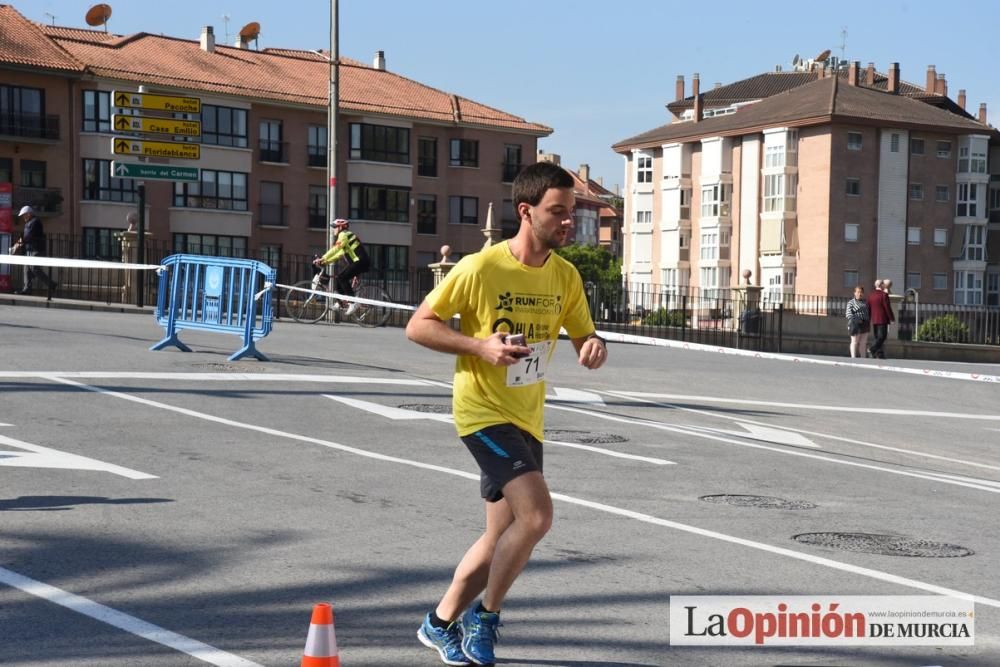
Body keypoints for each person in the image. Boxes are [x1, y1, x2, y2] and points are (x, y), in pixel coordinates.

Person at [406, 161, 607, 665]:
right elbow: (419, 326)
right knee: (537, 516)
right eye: (557, 212)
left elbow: (584, 332)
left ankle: (438, 622)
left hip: (527, 416)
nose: (567, 222)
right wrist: (479, 346)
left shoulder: (565, 275)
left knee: (501, 535)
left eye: (571, 212)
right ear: (526, 212)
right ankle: (485, 618)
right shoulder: (480, 267)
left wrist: (592, 346)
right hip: (482, 412)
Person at [312, 218, 370, 316]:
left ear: (340, 227)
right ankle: (340, 303)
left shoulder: (343, 235)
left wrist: (322, 258)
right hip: (358, 262)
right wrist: (325, 261)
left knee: (342, 278)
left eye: (334, 227)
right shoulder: (345, 237)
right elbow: (338, 254)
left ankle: (353, 302)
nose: (333, 230)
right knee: (339, 279)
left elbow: (336, 248)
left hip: (360, 262)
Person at [13, 205, 57, 299]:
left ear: (29, 214)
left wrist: (18, 244)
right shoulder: (29, 223)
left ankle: (51, 284)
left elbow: (28, 236)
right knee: (27, 269)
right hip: (30, 249)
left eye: (24, 215)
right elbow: (26, 237)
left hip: (37, 250)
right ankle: (27, 289)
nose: (23, 217)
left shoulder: (35, 222)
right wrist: (18, 244)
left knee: (34, 268)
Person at [867, 279, 894, 359]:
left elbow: (868, 308)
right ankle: (872, 349)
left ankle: (879, 354)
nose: (884, 286)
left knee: (877, 337)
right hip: (882, 319)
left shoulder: (870, 295)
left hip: (874, 319)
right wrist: (892, 318)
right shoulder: (884, 295)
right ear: (881, 285)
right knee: (882, 336)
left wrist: (868, 319)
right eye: (883, 284)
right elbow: (887, 308)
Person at [845, 285, 870, 358]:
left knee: (863, 343)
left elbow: (868, 313)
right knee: (854, 342)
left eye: (861, 292)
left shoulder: (866, 303)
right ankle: (853, 357)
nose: (860, 294)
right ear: (854, 293)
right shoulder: (851, 302)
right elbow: (848, 314)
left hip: (865, 324)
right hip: (855, 324)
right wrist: (856, 319)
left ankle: (863, 357)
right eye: (858, 292)